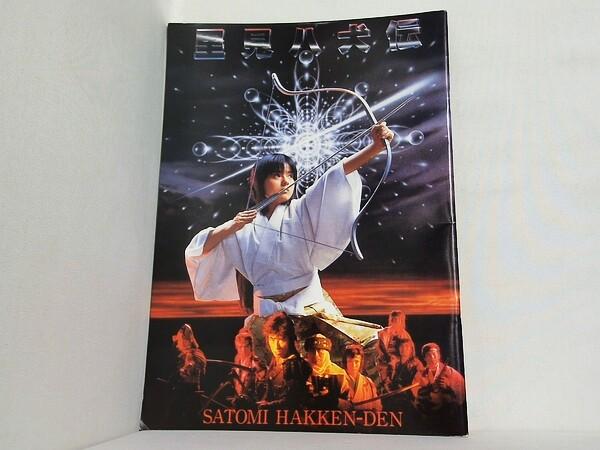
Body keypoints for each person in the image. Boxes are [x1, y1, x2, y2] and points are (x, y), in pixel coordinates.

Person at [184, 123, 394, 347]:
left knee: (359, 350)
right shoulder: (242, 226)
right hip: (268, 319)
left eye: (291, 175)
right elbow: (199, 250)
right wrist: (232, 226)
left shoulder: (302, 209)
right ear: (258, 181)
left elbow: (334, 176)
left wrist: (375, 147)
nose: (286, 181)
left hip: (310, 310)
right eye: (277, 175)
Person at [256, 312, 312, 409]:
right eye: (272, 339)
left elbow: (291, 401)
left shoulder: (294, 365)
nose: (276, 346)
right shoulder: (275, 360)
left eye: (281, 339)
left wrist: (267, 406)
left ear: (291, 340)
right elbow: (268, 396)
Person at [412, 343, 466, 434]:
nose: (432, 357)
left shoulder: (450, 372)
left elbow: (461, 391)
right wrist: (423, 388)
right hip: (427, 415)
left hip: (446, 415)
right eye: (428, 355)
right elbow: (415, 394)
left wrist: (448, 385)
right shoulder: (420, 374)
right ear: (424, 358)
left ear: (439, 355)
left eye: (434, 354)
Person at [304, 333, 350, 410]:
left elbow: (349, 405)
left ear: (326, 353)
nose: (316, 356)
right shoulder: (299, 372)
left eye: (320, 351)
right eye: (312, 351)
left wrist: (334, 401)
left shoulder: (339, 374)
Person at [376, 310, 413, 388]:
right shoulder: (384, 332)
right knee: (392, 364)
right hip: (386, 358)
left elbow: (410, 348)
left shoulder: (405, 334)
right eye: (394, 319)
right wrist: (388, 356)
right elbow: (381, 346)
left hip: (402, 358)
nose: (395, 321)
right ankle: (388, 382)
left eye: (398, 319)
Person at [342, 344, 382, 411]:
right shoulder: (339, 379)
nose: (353, 365)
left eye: (356, 362)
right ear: (345, 362)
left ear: (361, 362)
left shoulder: (368, 382)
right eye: (350, 361)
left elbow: (377, 406)